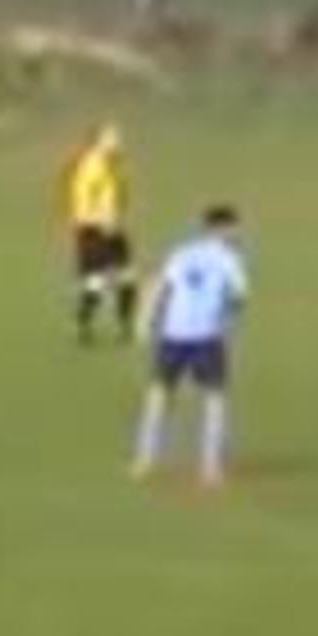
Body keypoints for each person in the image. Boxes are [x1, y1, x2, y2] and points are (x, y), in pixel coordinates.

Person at [131, 204, 249, 489]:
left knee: (159, 394)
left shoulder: (181, 253)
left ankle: (144, 460)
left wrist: (144, 321)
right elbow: (240, 296)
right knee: (214, 399)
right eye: (234, 228)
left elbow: (157, 286)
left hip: (174, 333)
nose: (237, 234)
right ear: (222, 229)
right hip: (206, 335)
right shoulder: (230, 259)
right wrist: (228, 316)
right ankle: (210, 468)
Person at [61, 122, 136, 345]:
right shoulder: (90, 166)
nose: (118, 142)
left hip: (113, 229)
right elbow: (80, 204)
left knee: (127, 278)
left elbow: (116, 198)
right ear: (99, 141)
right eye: (112, 138)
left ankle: (125, 327)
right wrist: (99, 221)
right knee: (97, 281)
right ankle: (83, 324)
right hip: (92, 231)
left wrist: (116, 220)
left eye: (117, 138)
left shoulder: (114, 165)